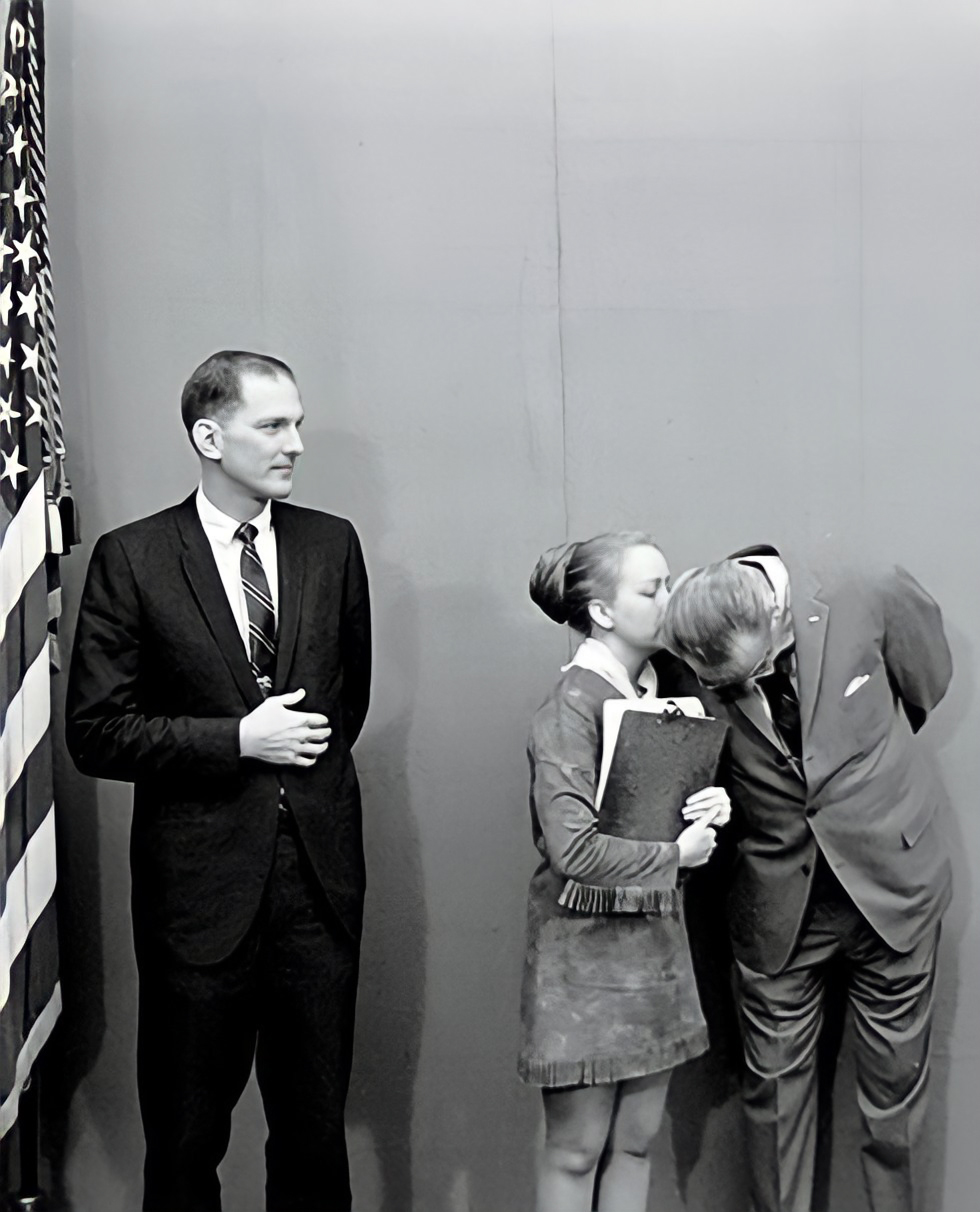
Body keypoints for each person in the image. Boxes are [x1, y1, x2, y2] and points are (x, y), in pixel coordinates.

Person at [65, 350, 371, 1212]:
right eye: (272, 425)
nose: (296, 444)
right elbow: (96, 732)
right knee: (187, 1142)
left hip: (317, 890)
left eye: (298, 422)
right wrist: (238, 739)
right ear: (209, 435)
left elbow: (347, 700)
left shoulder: (331, 544)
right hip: (197, 902)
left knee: (314, 1141)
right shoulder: (133, 558)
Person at [660, 544, 953, 1212]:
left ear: (775, 609)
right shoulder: (691, 635)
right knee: (772, 1111)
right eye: (730, 686)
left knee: (895, 1110)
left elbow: (928, 681)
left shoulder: (866, 585)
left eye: (760, 670)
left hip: (893, 888)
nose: (750, 688)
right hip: (775, 909)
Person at [518, 531, 731, 1212]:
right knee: (576, 1151)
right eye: (652, 588)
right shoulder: (569, 707)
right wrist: (678, 855)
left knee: (636, 1144)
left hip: (654, 952)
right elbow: (572, 852)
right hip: (584, 961)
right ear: (603, 612)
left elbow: (652, 823)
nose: (671, 600)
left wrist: (708, 808)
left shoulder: (664, 690)